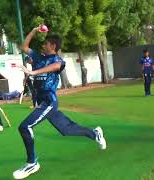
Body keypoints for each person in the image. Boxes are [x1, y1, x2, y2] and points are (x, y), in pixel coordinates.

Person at [12, 26, 107, 179]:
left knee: (25, 126)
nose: (43, 45)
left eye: (46, 44)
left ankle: (32, 163)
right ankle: (94, 133)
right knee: (66, 130)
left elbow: (55, 67)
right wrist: (35, 31)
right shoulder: (37, 57)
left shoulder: (57, 60)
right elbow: (24, 46)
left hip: (50, 102)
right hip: (42, 102)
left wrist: (32, 72)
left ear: (53, 46)